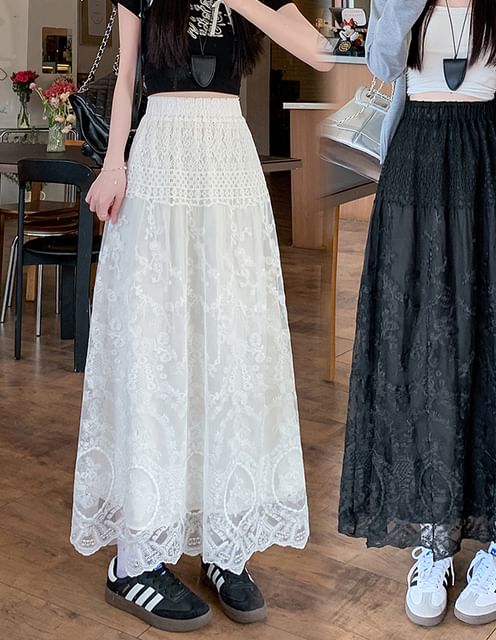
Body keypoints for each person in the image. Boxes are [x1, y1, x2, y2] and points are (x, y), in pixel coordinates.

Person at [70, 0, 330, 632]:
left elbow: (320, 53)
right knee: (157, 347)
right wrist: (114, 164)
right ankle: (135, 560)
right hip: (159, 160)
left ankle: (224, 539)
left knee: (231, 349)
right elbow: (126, 79)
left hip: (228, 165)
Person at [338, 0, 496, 627]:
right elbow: (381, 64)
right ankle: (434, 534)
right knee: (423, 350)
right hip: (415, 168)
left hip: (491, 165)